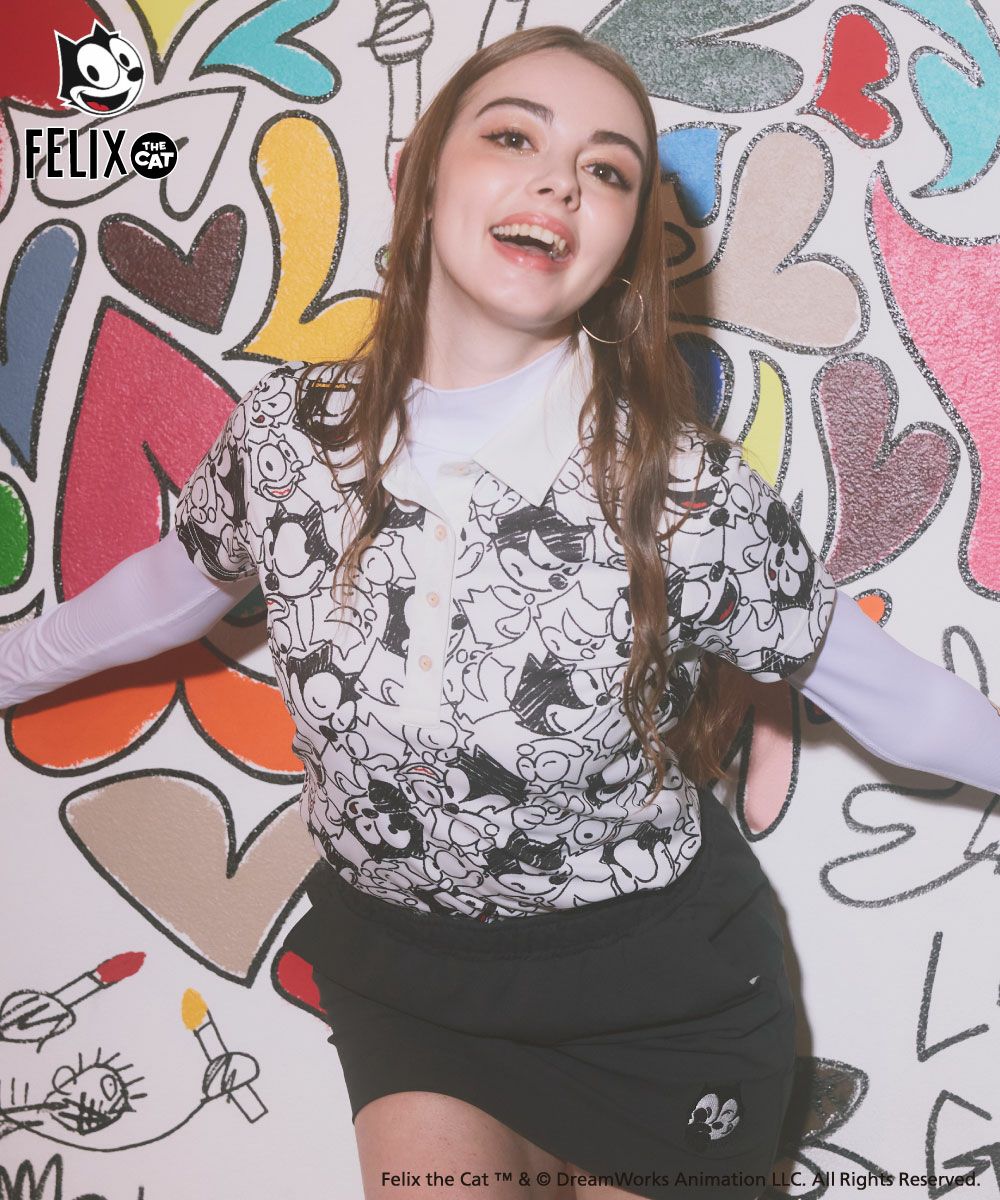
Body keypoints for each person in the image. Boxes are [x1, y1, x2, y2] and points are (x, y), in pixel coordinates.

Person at [3, 25, 999, 1200]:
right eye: (514, 137)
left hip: (657, 997)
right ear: (426, 177)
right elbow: (159, 596)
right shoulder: (285, 435)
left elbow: (897, 699)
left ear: (621, 243)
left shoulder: (681, 491)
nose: (559, 182)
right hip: (407, 979)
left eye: (607, 168)